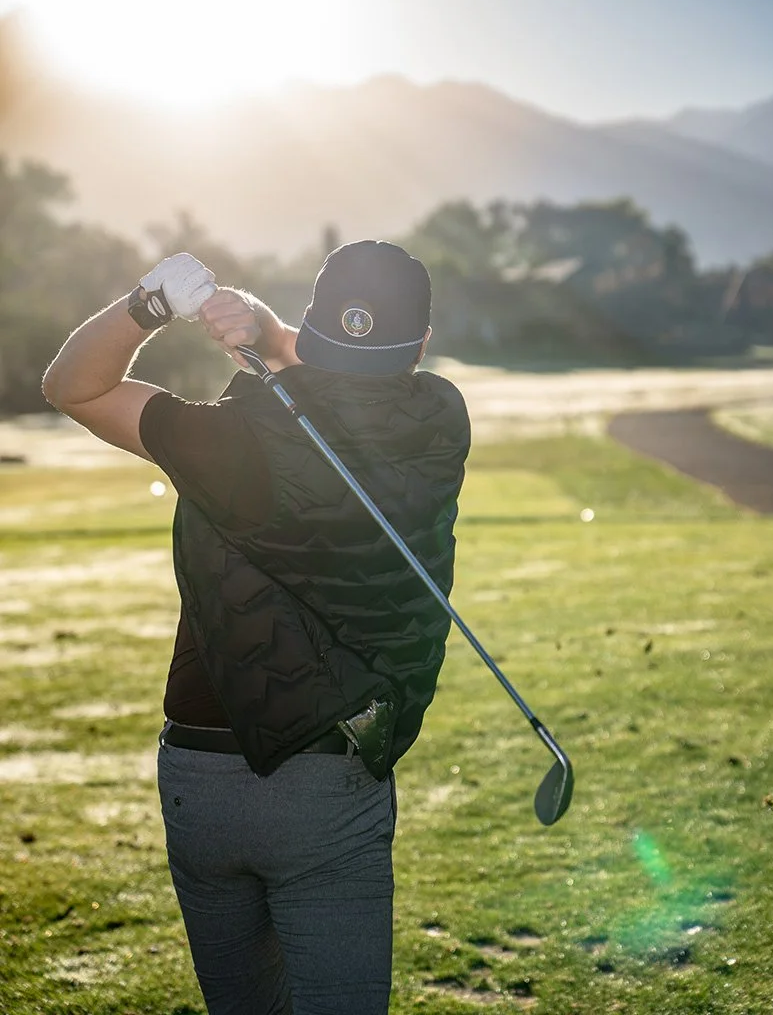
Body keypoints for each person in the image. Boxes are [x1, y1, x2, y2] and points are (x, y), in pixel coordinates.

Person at [42, 240, 471, 1015]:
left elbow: (71, 383)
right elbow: (313, 361)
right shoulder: (440, 420)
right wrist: (263, 332)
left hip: (201, 780)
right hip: (331, 782)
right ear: (423, 345)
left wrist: (154, 306)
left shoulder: (223, 439)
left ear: (311, 334)